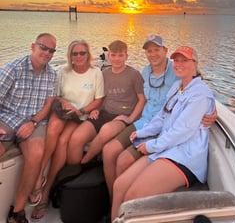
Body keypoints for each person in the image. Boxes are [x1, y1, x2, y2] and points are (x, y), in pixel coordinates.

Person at [103, 36, 217, 200]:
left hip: (168, 139)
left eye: (157, 49)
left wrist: (213, 110)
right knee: (108, 151)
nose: (153, 54)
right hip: (146, 122)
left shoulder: (176, 72)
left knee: (122, 162)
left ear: (165, 51)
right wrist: (138, 127)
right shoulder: (149, 73)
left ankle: (122, 203)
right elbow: (161, 111)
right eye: (149, 50)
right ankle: (113, 202)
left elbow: (199, 92)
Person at [31, 39, 104, 220]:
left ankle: (47, 191)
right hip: (62, 111)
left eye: (82, 53)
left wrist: (81, 110)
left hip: (79, 115)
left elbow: (99, 100)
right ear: (70, 56)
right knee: (54, 127)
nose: (78, 56)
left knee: (64, 141)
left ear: (88, 54)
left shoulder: (96, 73)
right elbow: (56, 97)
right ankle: (40, 176)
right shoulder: (63, 72)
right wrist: (65, 103)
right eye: (74, 53)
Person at [0, 33, 57, 223]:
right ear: (33, 46)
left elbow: (48, 105)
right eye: (43, 48)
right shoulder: (14, 68)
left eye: (51, 50)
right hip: (7, 118)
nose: (47, 53)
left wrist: (33, 123)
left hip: (34, 121)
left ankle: (16, 212)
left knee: (36, 154)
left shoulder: (52, 75)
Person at [67, 40, 146, 165]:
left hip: (122, 116)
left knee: (106, 130)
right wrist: (96, 109)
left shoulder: (134, 74)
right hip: (104, 112)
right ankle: (72, 169)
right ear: (108, 56)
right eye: (113, 55)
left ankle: (85, 162)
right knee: (77, 137)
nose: (117, 59)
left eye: (120, 55)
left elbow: (142, 99)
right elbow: (102, 97)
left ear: (126, 56)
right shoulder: (104, 73)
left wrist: (130, 118)